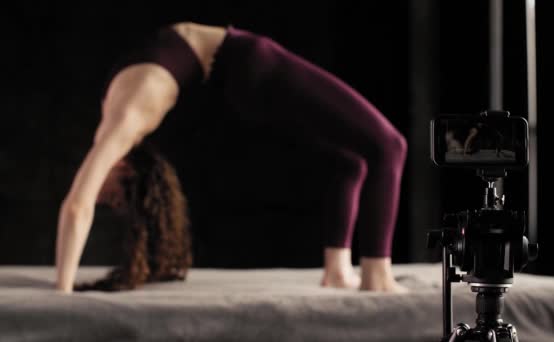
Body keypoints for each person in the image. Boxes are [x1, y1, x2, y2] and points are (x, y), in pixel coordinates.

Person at [55, 22, 408, 293]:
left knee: (351, 159)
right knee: (390, 145)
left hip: (241, 73)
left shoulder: (115, 122)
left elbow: (78, 203)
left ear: (123, 167)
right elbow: (76, 207)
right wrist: (62, 293)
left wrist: (63, 289)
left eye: (115, 197)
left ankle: (338, 269)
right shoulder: (126, 120)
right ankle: (377, 274)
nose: (107, 200)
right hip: (248, 62)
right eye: (117, 198)